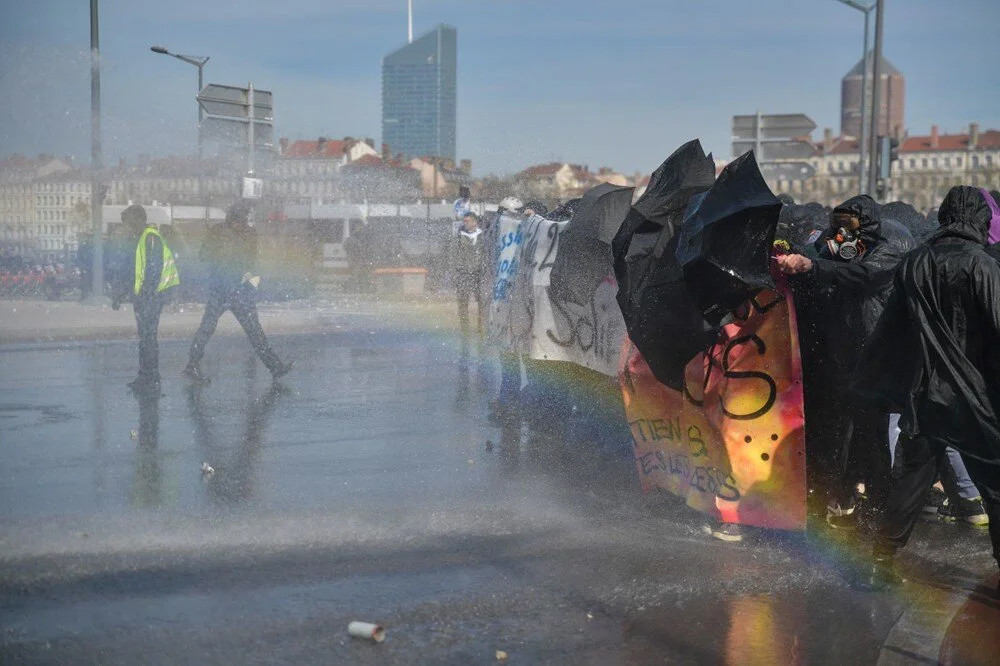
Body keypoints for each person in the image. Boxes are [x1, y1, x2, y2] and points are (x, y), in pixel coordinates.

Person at [854, 186, 1000, 591]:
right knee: (995, 485)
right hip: (977, 396)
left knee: (912, 478)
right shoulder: (982, 265)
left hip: (926, 391)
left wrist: (882, 381)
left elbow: (892, 330)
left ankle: (881, 559)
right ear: (976, 217)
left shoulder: (914, 262)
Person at [776, 194, 914, 529]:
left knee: (873, 434)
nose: (842, 231)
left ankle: (880, 505)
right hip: (842, 354)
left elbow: (862, 275)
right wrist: (800, 257)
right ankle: (843, 497)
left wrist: (815, 265)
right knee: (840, 431)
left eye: (849, 224)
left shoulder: (887, 249)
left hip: (873, 355)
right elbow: (821, 263)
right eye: (838, 224)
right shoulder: (839, 243)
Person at [183, 202, 292, 383]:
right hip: (222, 290)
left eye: (245, 220)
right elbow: (203, 255)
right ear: (232, 219)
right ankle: (192, 364)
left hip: (240, 290)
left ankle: (275, 367)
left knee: (255, 332)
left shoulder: (249, 234)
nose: (244, 224)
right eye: (241, 220)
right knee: (207, 328)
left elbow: (251, 261)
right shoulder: (218, 232)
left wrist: (251, 281)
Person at [126, 205, 180, 394]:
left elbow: (153, 270)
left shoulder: (150, 238)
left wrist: (146, 296)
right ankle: (146, 376)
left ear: (138, 219)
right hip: (146, 297)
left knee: (148, 338)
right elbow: (138, 271)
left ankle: (151, 377)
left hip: (152, 297)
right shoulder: (143, 238)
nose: (128, 227)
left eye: (130, 222)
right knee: (146, 338)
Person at [452, 211, 486, 338]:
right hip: (463, 273)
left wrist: (484, 269)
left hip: (478, 274)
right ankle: (465, 329)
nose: (465, 223)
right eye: (464, 221)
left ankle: (480, 327)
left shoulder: (483, 236)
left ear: (474, 222)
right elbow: (453, 255)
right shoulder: (459, 237)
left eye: (468, 221)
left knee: (481, 302)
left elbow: (486, 254)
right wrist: (456, 271)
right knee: (462, 303)